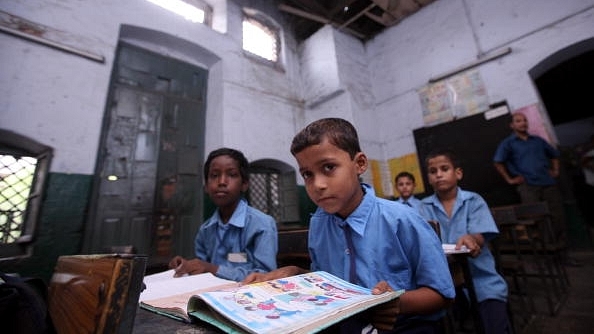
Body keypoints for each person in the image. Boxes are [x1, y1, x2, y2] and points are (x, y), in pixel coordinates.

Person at [243, 118, 455, 333]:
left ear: (360, 164)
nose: (318, 185)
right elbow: (328, 282)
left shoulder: (403, 220)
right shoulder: (319, 222)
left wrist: (396, 302)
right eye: (307, 174)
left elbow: (442, 295)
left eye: (329, 167)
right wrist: (295, 273)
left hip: (402, 325)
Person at [420, 148, 512, 334]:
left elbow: (479, 235)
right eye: (432, 171)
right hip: (445, 282)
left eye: (444, 169)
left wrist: (472, 238)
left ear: (458, 173)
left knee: (494, 325)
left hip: (481, 280)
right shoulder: (423, 207)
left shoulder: (474, 201)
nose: (438, 175)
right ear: (428, 178)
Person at [168, 147, 278, 281]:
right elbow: (201, 269)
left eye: (231, 175)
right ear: (206, 187)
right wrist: (187, 266)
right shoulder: (205, 230)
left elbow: (266, 276)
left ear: (244, 184)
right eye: (214, 176)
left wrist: (212, 269)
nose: (221, 182)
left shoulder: (262, 225)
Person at [492, 112, 579, 266]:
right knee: (537, 222)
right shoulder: (508, 143)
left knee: (558, 218)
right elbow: (498, 162)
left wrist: (556, 171)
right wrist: (510, 179)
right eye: (518, 121)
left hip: (548, 184)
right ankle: (546, 257)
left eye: (525, 120)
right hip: (528, 187)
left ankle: (563, 256)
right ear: (512, 125)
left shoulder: (538, 141)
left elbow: (554, 155)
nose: (523, 123)